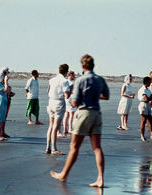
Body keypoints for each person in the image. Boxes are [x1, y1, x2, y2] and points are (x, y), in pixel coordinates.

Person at [50, 54, 110, 188]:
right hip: (96, 113)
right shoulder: (100, 79)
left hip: (83, 113)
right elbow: (106, 96)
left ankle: (64, 174)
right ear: (93, 65)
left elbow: (75, 101)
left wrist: (83, 96)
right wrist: (94, 95)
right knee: (97, 148)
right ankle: (100, 178)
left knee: (74, 147)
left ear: (83, 66)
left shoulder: (81, 80)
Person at [45, 64, 71, 155]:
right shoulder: (64, 81)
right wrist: (71, 90)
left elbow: (48, 91)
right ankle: (53, 148)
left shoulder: (52, 80)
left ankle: (48, 147)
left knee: (51, 125)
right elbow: (67, 95)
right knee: (55, 126)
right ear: (66, 72)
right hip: (59, 103)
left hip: (51, 102)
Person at [62, 71, 76, 136]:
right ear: (70, 75)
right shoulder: (70, 83)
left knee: (66, 114)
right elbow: (70, 92)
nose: (74, 76)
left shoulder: (66, 81)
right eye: (73, 75)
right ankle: (70, 128)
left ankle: (65, 129)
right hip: (70, 100)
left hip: (66, 99)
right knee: (71, 114)